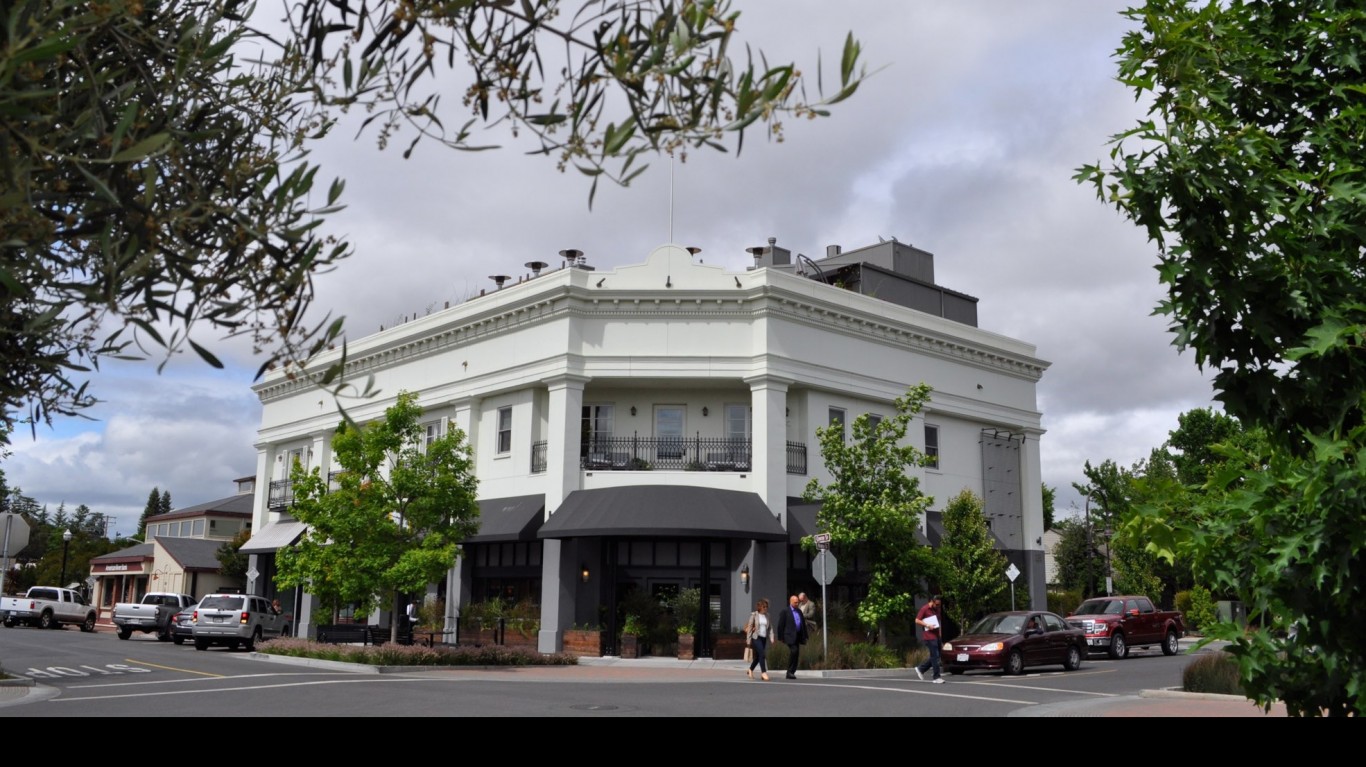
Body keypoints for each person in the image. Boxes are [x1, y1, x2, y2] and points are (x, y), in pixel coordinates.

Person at [774, 594, 809, 679]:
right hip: (789, 636)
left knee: (796, 653)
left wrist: (805, 636)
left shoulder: (799, 611)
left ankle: (792, 672)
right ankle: (789, 671)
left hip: (798, 635)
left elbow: (802, 624)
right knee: (794, 651)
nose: (797, 604)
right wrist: (781, 637)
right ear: (791, 602)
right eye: (795, 602)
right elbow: (780, 625)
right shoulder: (785, 611)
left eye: (797, 602)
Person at [915, 594, 945, 684]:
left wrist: (940, 636)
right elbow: (917, 620)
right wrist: (927, 625)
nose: (937, 606)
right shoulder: (925, 609)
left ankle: (921, 669)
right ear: (932, 601)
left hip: (936, 636)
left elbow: (938, 623)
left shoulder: (937, 610)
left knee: (937, 655)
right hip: (929, 636)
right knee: (935, 656)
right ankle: (936, 677)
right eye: (936, 604)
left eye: (939, 604)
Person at [743, 598, 772, 681]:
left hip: (763, 638)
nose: (766, 608)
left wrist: (771, 637)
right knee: (762, 655)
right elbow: (749, 629)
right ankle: (763, 673)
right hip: (756, 638)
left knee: (759, 656)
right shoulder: (754, 615)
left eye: (766, 607)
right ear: (760, 607)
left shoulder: (768, 616)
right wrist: (748, 641)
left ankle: (750, 669)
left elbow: (770, 628)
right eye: (764, 607)